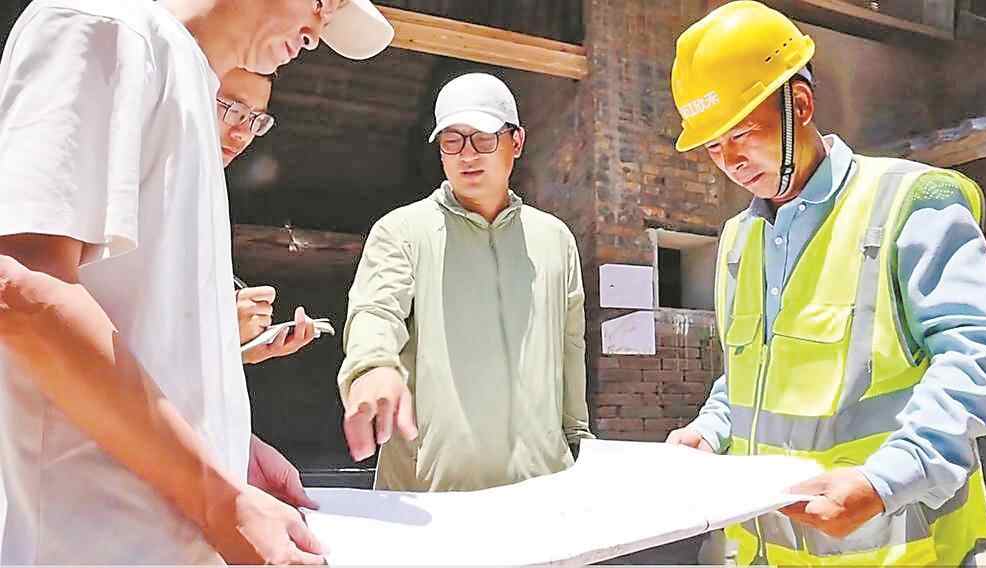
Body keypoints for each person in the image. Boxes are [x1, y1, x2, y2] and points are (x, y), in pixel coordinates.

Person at [0, 0, 392, 564]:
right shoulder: (106, 24)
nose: (315, 32)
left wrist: (226, 447)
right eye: (322, 3)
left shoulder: (184, 78)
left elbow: (139, 330)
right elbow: (23, 289)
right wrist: (221, 503)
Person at [665, 2, 986, 565]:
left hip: (905, 552)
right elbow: (751, 376)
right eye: (714, 146)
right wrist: (713, 426)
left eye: (742, 133)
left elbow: (978, 356)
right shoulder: (738, 240)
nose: (731, 161)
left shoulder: (910, 204)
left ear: (799, 105)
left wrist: (885, 480)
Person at [338, 72, 594, 491]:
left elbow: (570, 346)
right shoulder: (402, 231)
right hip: (432, 492)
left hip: (544, 487)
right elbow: (375, 310)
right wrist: (372, 365)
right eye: (451, 141)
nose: (467, 155)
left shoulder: (555, 239)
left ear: (517, 142)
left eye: (483, 138)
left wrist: (578, 437)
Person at [214, 67, 318, 365]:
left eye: (255, 120)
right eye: (233, 111)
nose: (242, 134)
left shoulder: (210, 189)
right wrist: (217, 330)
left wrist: (243, 350)